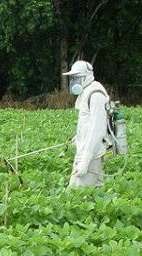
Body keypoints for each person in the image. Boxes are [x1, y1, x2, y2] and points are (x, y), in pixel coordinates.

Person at [63, 60, 110, 188]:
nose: (73, 82)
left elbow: (97, 131)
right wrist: (78, 138)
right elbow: (86, 124)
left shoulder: (96, 95)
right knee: (96, 192)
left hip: (91, 155)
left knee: (75, 194)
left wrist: (84, 162)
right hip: (86, 150)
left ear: (87, 77)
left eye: (76, 78)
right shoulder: (87, 91)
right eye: (72, 78)